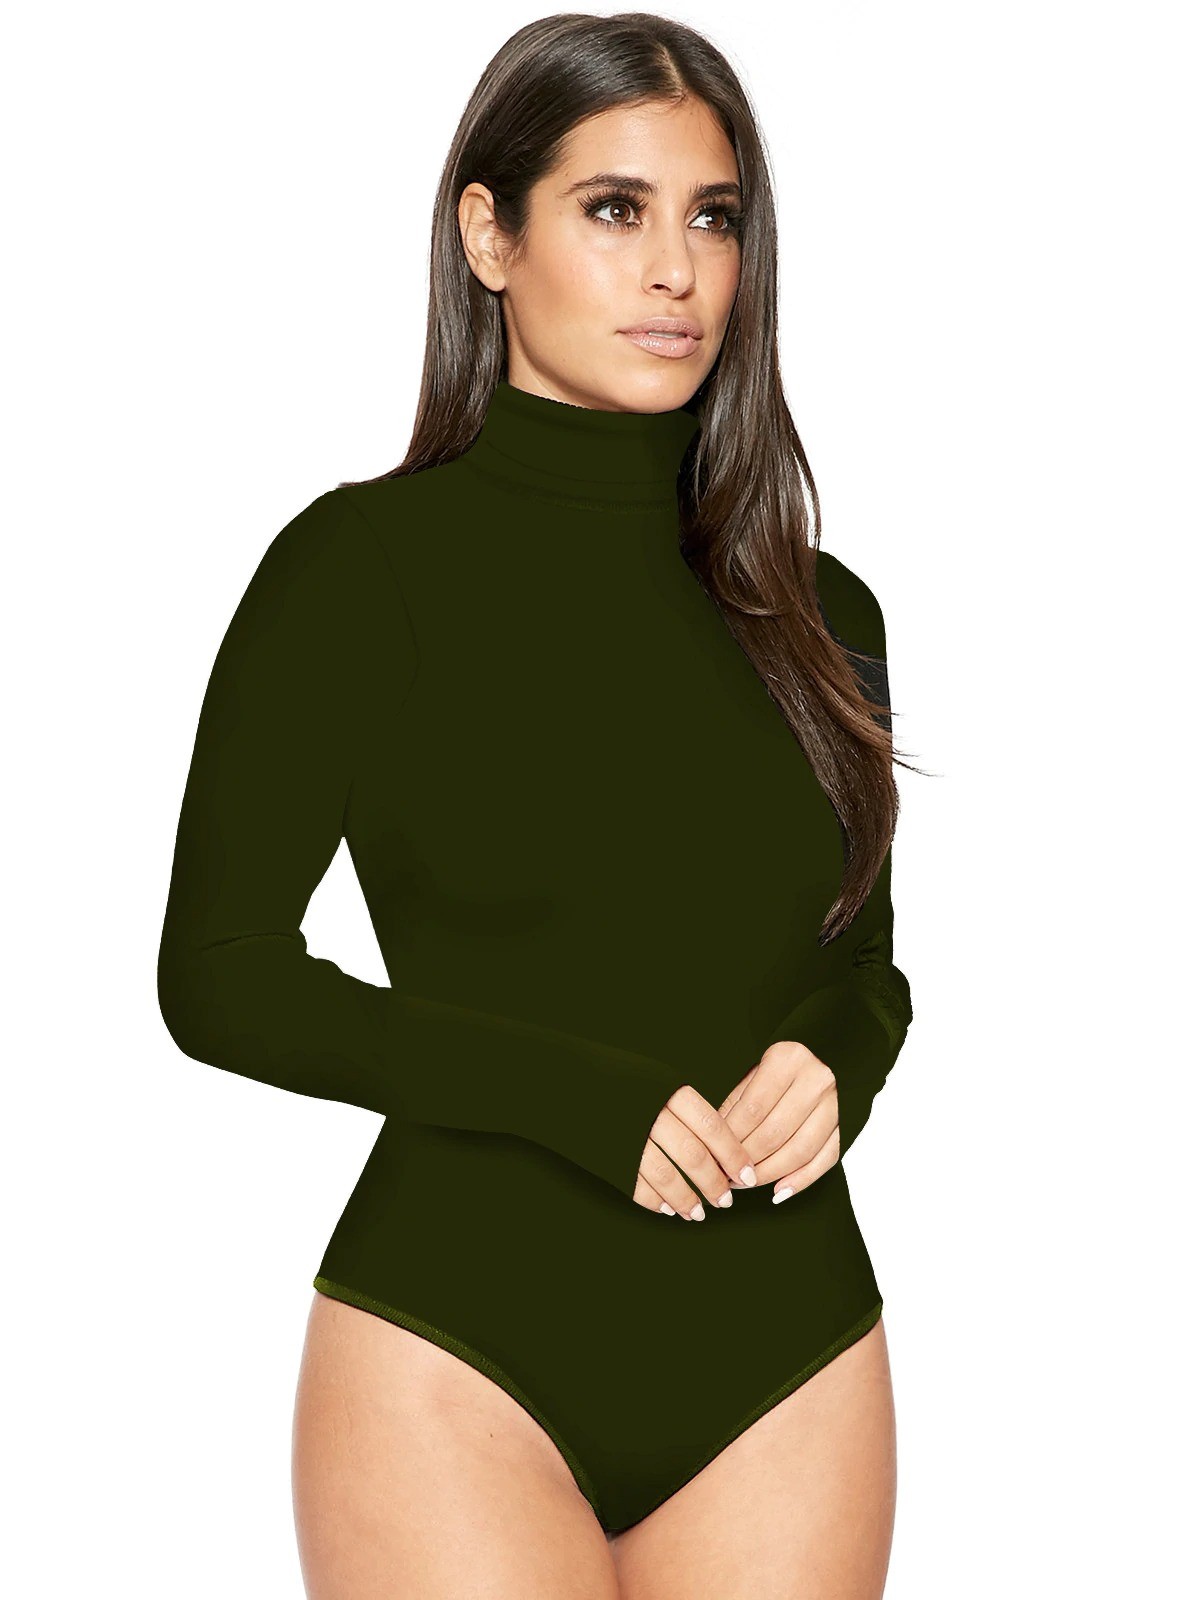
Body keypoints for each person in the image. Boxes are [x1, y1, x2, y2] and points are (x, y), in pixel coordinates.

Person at [157, 13, 916, 1597]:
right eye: (614, 209)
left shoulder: (821, 607)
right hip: (460, 1344)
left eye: (714, 217)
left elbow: (862, 963)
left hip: (785, 1350)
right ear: (488, 235)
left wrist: (836, 1061)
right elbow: (218, 978)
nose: (678, 271)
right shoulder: (357, 574)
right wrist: (574, 1096)